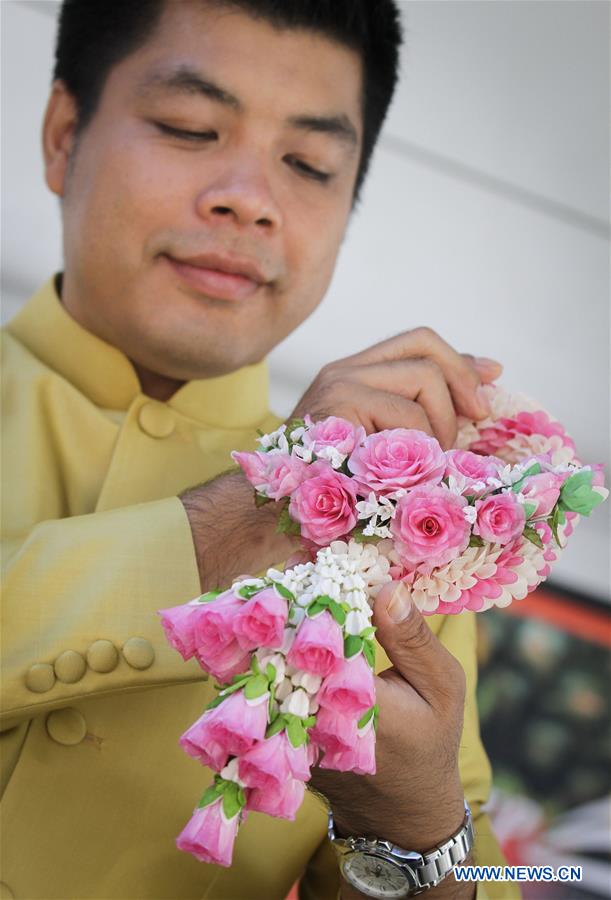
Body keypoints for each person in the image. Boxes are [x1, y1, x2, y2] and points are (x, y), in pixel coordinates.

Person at [0, 2, 520, 898]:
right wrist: (236, 522)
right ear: (63, 135)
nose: (250, 198)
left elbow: (499, 872)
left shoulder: (397, 538)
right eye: (189, 127)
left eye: (309, 164)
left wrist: (420, 831)